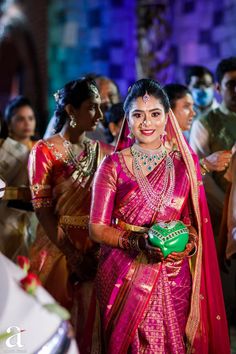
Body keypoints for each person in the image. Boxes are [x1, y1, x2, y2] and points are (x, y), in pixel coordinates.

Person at [89, 79, 230, 353]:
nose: (147, 122)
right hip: (124, 273)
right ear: (127, 120)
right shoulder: (112, 165)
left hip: (174, 274)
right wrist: (139, 244)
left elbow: (190, 221)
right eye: (138, 115)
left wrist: (188, 242)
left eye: (155, 114)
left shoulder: (183, 164)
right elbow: (97, 228)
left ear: (167, 118)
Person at [28, 77, 113, 353]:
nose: (100, 115)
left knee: (95, 326)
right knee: (55, 323)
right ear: (71, 111)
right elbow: (41, 208)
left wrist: (96, 253)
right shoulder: (44, 150)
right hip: (57, 245)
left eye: (100, 107)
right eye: (92, 107)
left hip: (96, 246)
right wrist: (72, 255)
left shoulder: (103, 152)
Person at [189, 57, 236, 237]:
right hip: (222, 217)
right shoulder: (205, 123)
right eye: (230, 84)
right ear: (218, 88)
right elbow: (203, 176)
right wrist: (229, 210)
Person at [0, 95, 37, 260]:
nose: (27, 123)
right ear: (9, 123)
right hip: (4, 217)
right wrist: (21, 194)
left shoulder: (40, 149)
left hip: (33, 219)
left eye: (30, 118)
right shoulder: (4, 148)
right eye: (20, 119)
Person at [44, 75, 120, 142]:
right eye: (101, 95)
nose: (106, 100)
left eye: (111, 95)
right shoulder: (64, 119)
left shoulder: (123, 123)